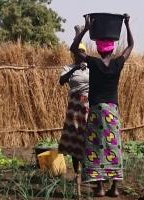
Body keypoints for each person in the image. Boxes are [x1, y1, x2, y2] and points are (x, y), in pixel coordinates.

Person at [70, 14, 134, 197]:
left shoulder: (93, 63)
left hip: (97, 111)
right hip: (112, 111)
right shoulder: (117, 64)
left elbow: (73, 48)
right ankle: (114, 188)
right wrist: (127, 25)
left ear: (98, 49)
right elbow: (130, 46)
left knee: (96, 147)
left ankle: (99, 188)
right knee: (114, 146)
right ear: (112, 49)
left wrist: (86, 29)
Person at [58, 25, 89, 196]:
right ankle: (76, 171)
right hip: (74, 107)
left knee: (86, 137)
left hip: (87, 106)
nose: (79, 55)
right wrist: (76, 68)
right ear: (74, 54)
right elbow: (61, 81)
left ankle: (86, 171)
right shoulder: (68, 68)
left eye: (82, 52)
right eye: (77, 53)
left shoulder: (91, 68)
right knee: (73, 138)